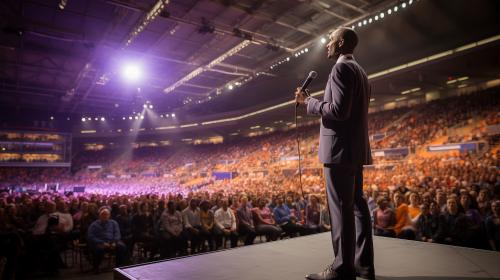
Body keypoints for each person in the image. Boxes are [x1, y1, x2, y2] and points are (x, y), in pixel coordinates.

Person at [296, 27, 374, 280]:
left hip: (338, 151)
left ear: (340, 43)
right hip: (354, 150)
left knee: (341, 209)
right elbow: (349, 111)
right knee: (357, 207)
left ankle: (342, 269)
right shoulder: (361, 71)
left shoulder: (340, 68)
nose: (327, 45)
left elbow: (340, 112)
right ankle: (363, 265)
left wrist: (309, 102)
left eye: (330, 40)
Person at [87, 207, 128, 273]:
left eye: (107, 214)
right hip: (100, 242)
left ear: (109, 215)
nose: (105, 216)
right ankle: (96, 267)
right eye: (103, 214)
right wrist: (102, 242)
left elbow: (117, 233)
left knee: (122, 247)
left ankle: (118, 266)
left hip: (112, 241)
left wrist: (114, 242)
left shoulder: (113, 223)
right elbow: (91, 236)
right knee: (99, 249)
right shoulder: (94, 225)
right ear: (99, 216)